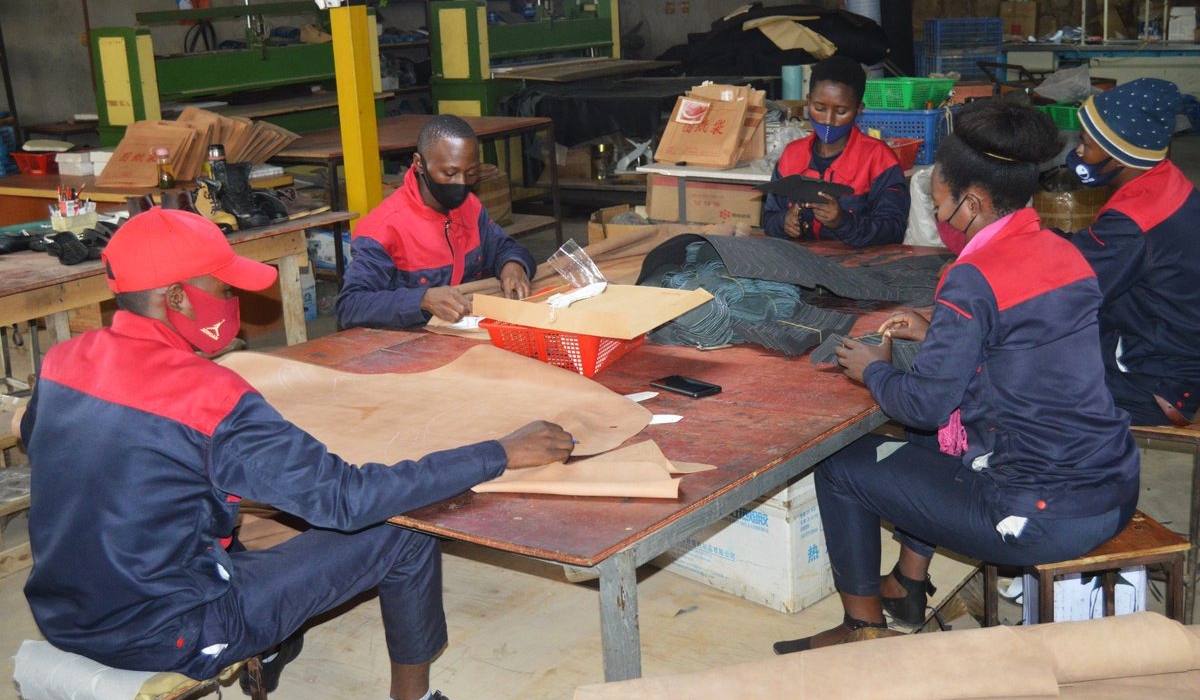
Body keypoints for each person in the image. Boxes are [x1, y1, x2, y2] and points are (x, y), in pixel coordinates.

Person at [20, 208, 574, 700]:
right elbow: (347, 499)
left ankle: (273, 639)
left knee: (249, 517)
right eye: (224, 287)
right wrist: (499, 451)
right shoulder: (209, 395)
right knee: (404, 527)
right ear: (178, 298)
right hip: (172, 632)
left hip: (66, 614)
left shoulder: (63, 361)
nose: (235, 300)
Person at [774, 100, 1140, 653]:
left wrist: (871, 370)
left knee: (843, 466)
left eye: (940, 202)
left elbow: (921, 404)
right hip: (1113, 487)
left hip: (1039, 514)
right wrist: (938, 329)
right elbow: (1025, 343)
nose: (939, 216)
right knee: (931, 444)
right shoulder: (1061, 251)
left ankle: (862, 628)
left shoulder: (971, 276)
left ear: (974, 201)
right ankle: (907, 584)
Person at [1065, 78, 1200, 427]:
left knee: (1017, 372)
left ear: (1119, 155)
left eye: (1086, 144)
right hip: (1175, 352)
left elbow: (1067, 288)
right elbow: (1097, 250)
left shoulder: (1135, 222)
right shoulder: (1165, 181)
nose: (1079, 153)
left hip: (1154, 381)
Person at [336, 114, 537, 329]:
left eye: (470, 173)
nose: (461, 183)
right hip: (409, 344)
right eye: (449, 173)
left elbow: (502, 247)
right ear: (419, 164)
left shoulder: (469, 207)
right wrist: (422, 300)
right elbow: (350, 305)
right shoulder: (383, 229)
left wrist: (513, 265)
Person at [761, 55, 910, 246]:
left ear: (858, 110)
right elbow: (769, 218)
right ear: (808, 102)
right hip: (803, 263)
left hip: (861, 268)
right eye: (819, 108)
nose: (828, 120)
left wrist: (843, 222)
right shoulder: (792, 155)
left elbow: (894, 230)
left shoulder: (879, 159)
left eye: (841, 112)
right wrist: (784, 223)